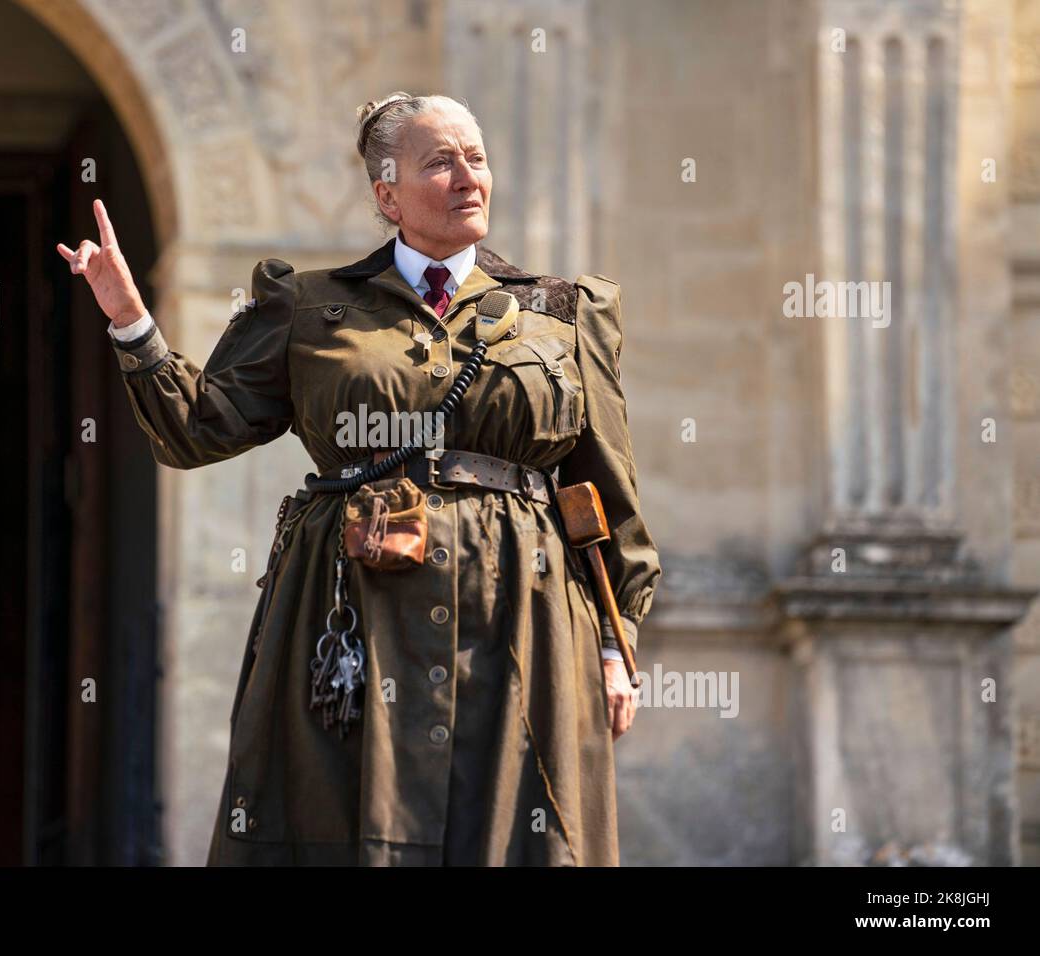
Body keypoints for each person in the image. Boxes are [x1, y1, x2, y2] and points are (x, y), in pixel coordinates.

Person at [56, 92, 662, 866]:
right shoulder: (310, 307)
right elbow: (196, 429)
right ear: (386, 192)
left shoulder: (561, 312)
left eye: (476, 157)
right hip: (352, 615)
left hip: (523, 612)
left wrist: (618, 644)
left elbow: (605, 492)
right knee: (350, 822)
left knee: (515, 827)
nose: (468, 176)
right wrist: (131, 320)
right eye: (440, 162)